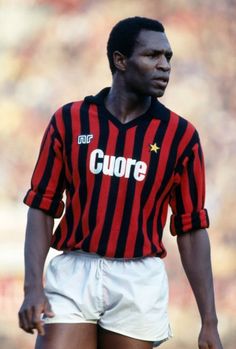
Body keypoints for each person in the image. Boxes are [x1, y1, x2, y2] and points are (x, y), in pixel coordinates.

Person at [18, 16, 223, 349]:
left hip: (138, 279)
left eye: (168, 57)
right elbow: (42, 206)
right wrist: (32, 288)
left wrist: (209, 322)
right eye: (152, 56)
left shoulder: (181, 137)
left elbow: (191, 228)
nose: (164, 66)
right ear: (120, 60)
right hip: (75, 270)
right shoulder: (70, 121)